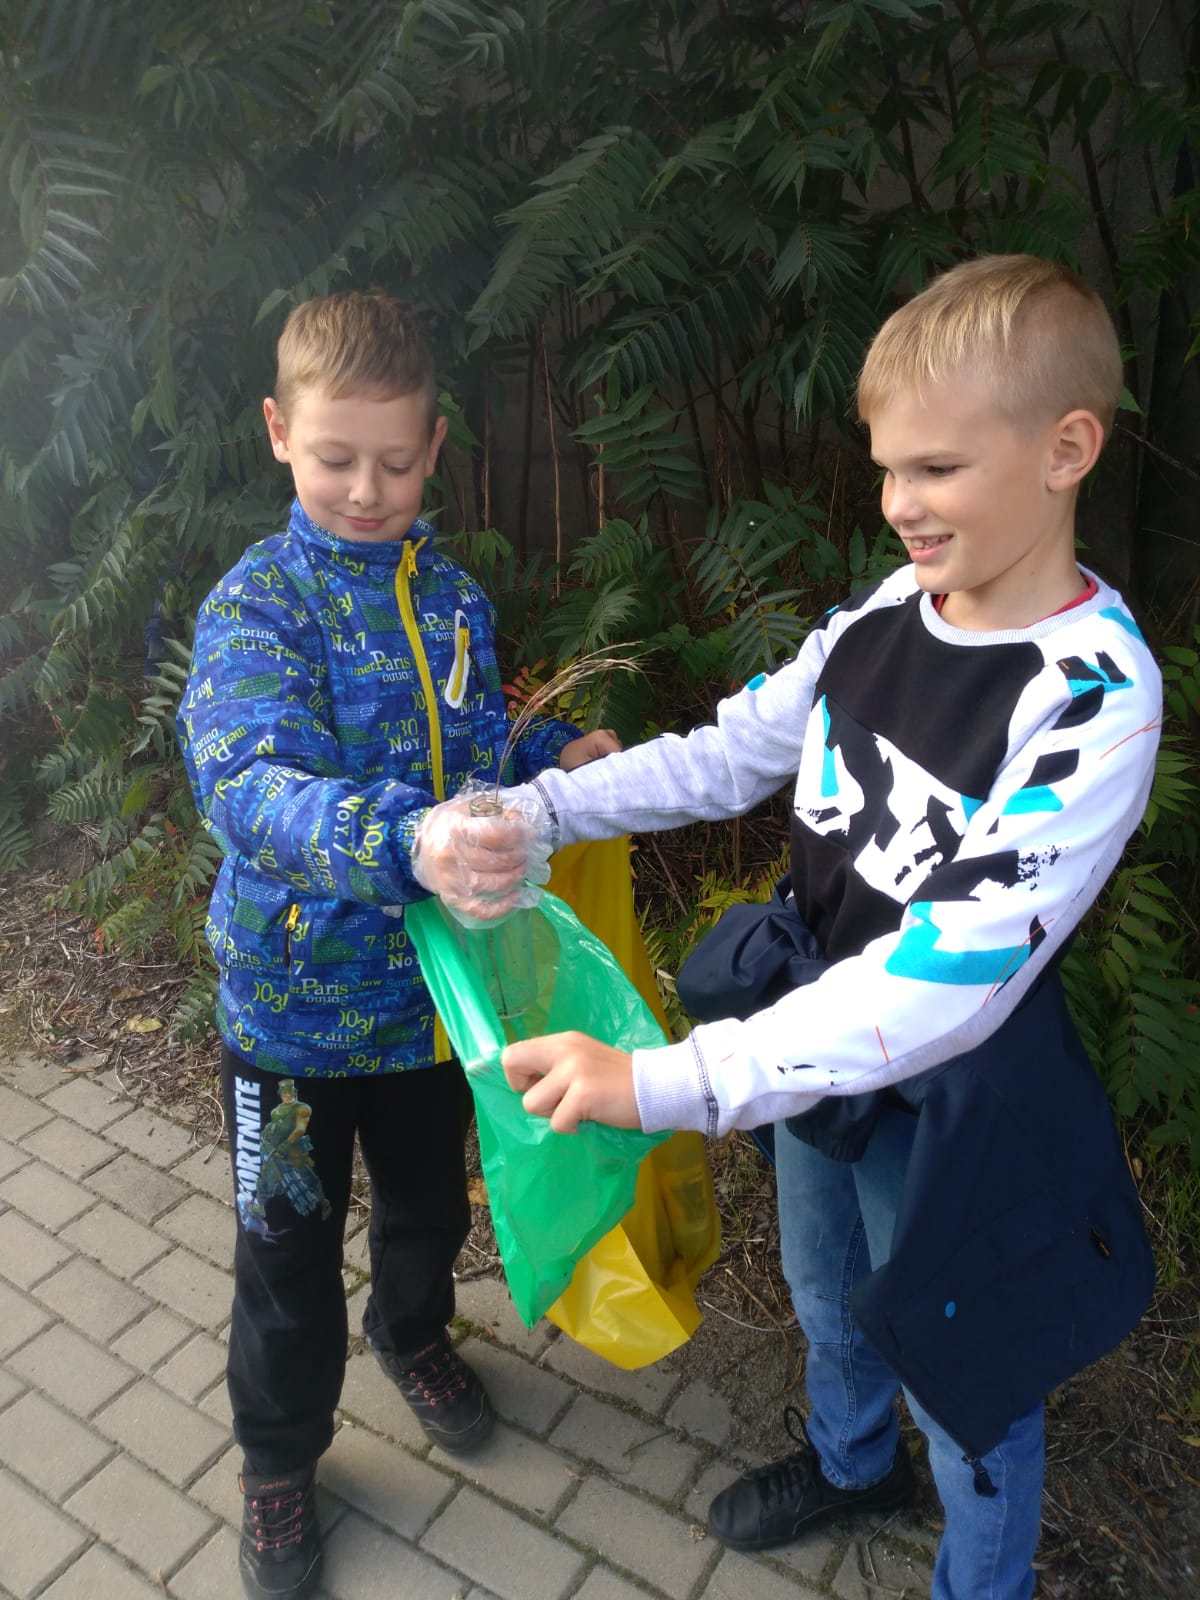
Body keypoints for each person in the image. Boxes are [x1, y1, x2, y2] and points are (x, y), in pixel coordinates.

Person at [496, 255, 1163, 1600]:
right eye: (887, 470)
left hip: (952, 1101)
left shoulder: (1092, 696)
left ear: (1065, 451)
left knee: (963, 1370)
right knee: (823, 1286)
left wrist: (665, 1084)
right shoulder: (884, 615)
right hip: (807, 1047)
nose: (898, 505)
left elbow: (943, 982)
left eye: (936, 469)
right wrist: (538, 812)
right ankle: (854, 1464)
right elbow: (728, 753)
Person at [176, 289, 617, 1600]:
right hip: (291, 1026)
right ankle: (278, 1460)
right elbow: (248, 786)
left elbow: (476, 744)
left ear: (435, 446)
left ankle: (413, 1334)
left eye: (394, 461)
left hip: (436, 1006)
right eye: (334, 459)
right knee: (285, 1253)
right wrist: (406, 840)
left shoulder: (456, 599)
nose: (366, 492)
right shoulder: (258, 607)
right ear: (279, 433)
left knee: (428, 1208)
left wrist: (555, 754)